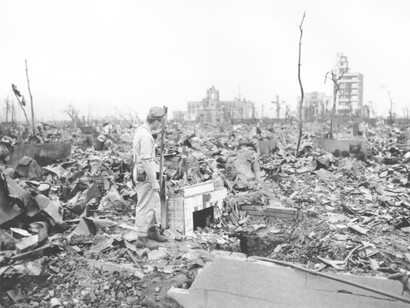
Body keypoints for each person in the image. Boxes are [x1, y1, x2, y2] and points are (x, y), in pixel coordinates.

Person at [133, 106, 167, 242]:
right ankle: (141, 239)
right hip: (146, 174)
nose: (160, 125)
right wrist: (154, 182)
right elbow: (146, 160)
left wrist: (160, 133)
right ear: (156, 121)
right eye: (160, 122)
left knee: (154, 203)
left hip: (144, 172)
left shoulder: (142, 130)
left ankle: (152, 230)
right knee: (145, 206)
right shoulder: (146, 136)